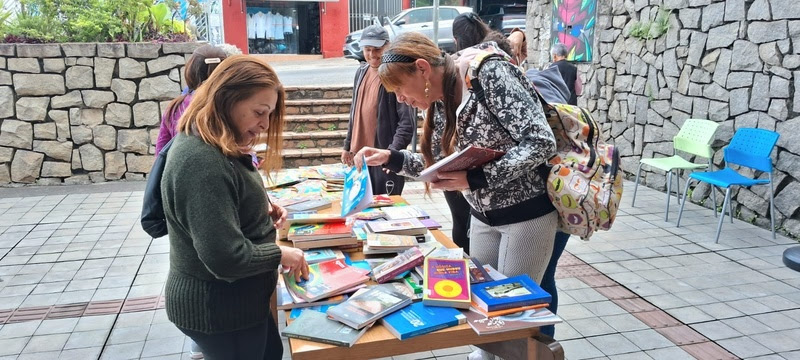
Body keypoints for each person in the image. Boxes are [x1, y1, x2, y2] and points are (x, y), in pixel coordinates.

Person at [355, 28, 557, 317]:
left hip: (525, 215)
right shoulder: (439, 99)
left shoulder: (489, 74)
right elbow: (440, 164)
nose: (400, 99)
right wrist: (392, 158)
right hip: (482, 217)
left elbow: (540, 142)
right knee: (476, 309)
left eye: (399, 89)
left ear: (422, 69)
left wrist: (478, 178)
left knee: (511, 316)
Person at [161, 55, 309, 360]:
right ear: (227, 99)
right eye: (259, 112)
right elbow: (225, 258)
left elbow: (226, 198)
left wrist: (260, 209)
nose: (264, 124)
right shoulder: (202, 160)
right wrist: (281, 253)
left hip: (239, 305)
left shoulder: (215, 144)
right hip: (220, 311)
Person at [342, 25, 416, 196]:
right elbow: (355, 111)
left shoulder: (394, 74)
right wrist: (347, 145)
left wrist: (390, 156)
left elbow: (406, 124)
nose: (372, 54)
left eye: (377, 49)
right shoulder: (361, 71)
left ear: (387, 46)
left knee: (385, 213)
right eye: (367, 49)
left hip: (383, 159)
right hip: (359, 158)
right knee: (362, 211)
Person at [156, 44, 228, 155]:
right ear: (228, 73)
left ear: (190, 71)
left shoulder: (175, 107)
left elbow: (160, 153)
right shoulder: (231, 107)